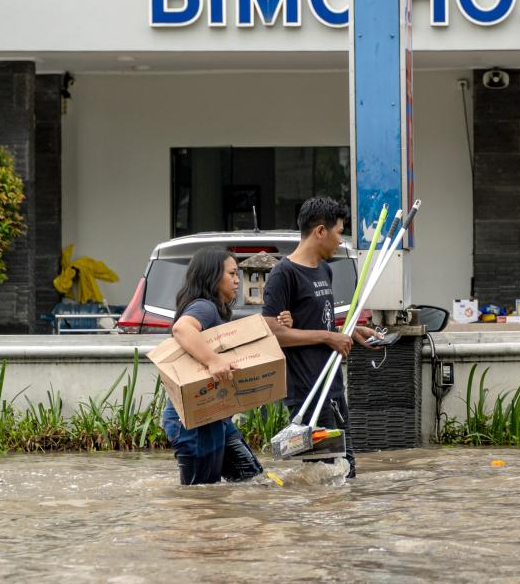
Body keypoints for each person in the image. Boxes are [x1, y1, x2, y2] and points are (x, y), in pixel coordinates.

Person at [261, 197, 379, 478]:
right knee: (326, 476)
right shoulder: (283, 274)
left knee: (345, 473)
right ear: (321, 231)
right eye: (339, 232)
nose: (341, 241)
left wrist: (347, 332)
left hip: (332, 386)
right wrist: (328, 337)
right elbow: (273, 332)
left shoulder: (325, 270)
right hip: (307, 392)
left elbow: (318, 322)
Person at [160, 246, 290, 485]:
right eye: (231, 274)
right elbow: (182, 329)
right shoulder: (204, 307)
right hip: (193, 421)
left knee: (254, 482)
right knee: (201, 496)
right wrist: (213, 361)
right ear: (211, 276)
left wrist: (282, 325)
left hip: (213, 416)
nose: (237, 280)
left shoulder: (215, 310)